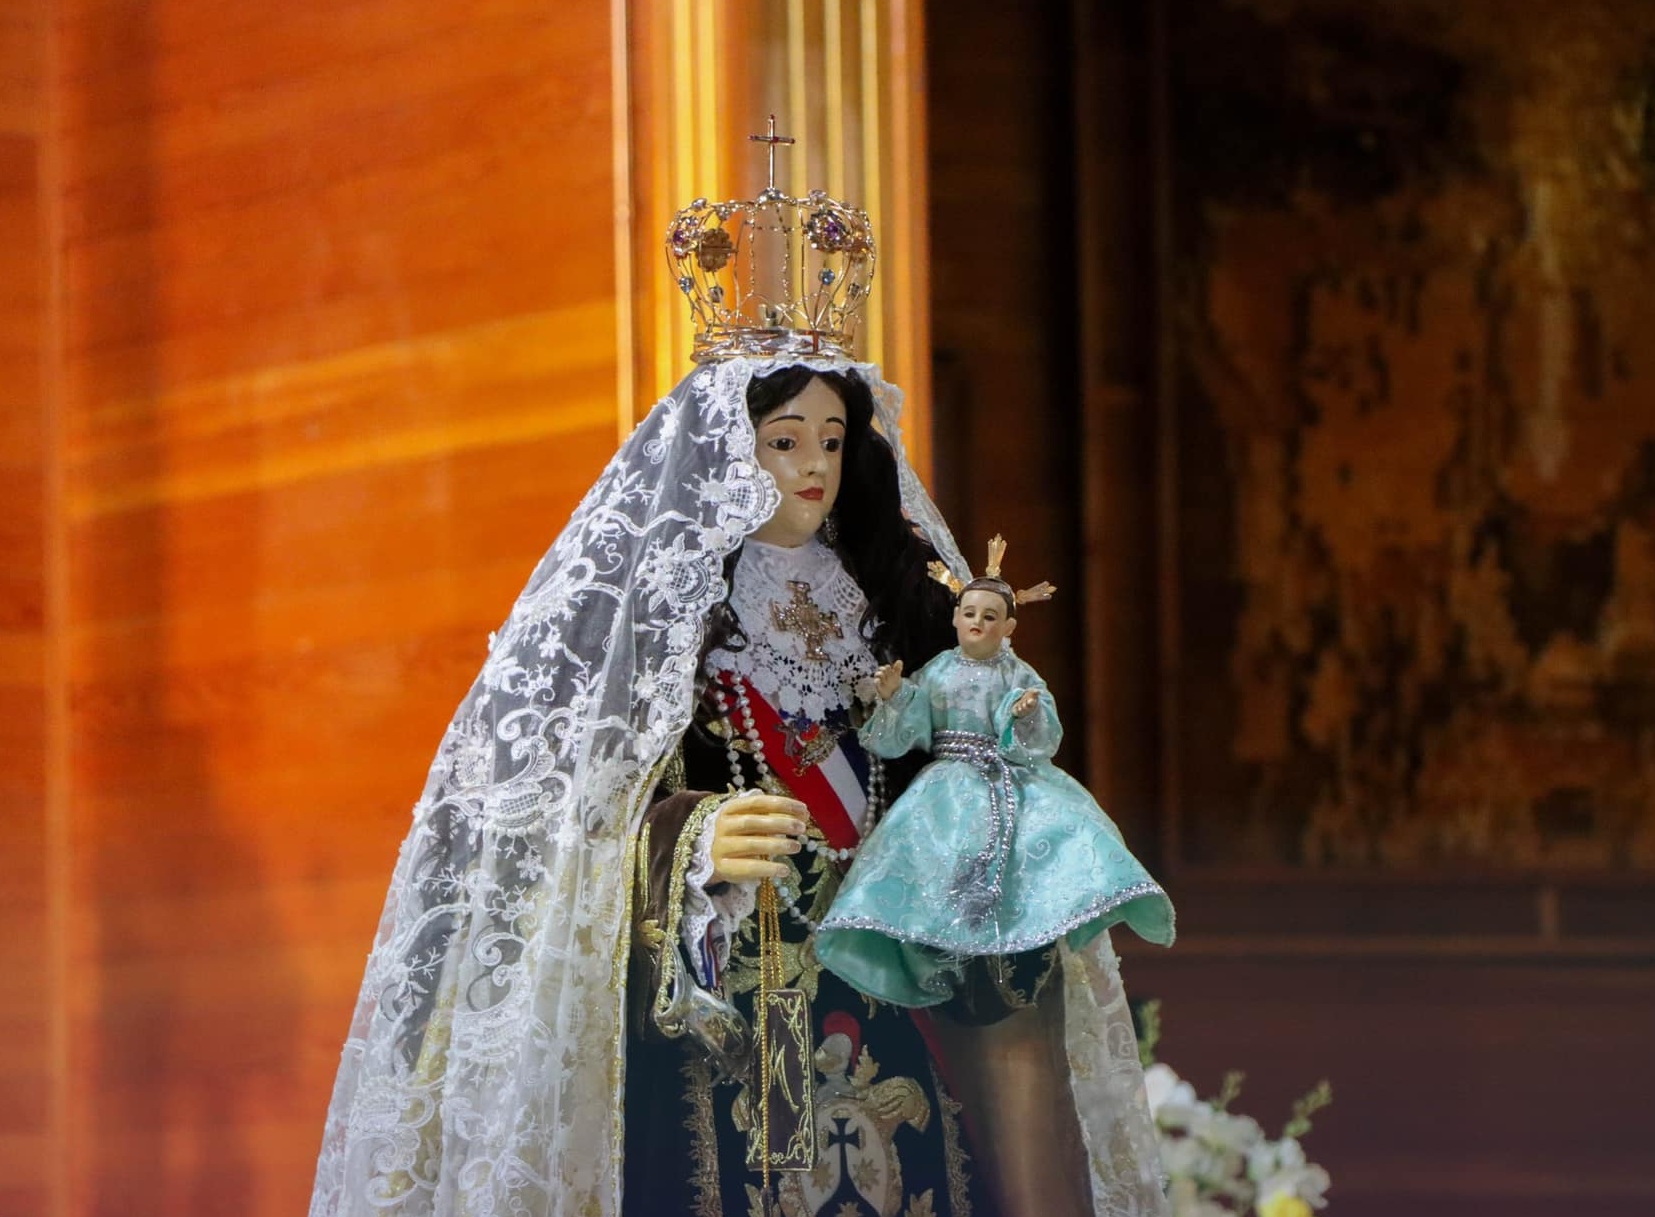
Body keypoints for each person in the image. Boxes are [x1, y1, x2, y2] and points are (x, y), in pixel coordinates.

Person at [311, 164, 1170, 1217]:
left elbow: (945, 779)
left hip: (882, 1016)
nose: (813, 465)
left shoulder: (898, 606)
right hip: (718, 1039)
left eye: (831, 441)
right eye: (783, 440)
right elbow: (547, 837)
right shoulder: (654, 622)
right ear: (726, 451)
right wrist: (689, 841)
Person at [813, 544, 1176, 1009]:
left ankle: (1024, 940)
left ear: (1008, 628)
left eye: (990, 617)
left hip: (1007, 778)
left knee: (1065, 837)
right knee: (926, 861)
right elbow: (910, 727)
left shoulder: (1015, 672)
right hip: (946, 787)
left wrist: (1024, 713)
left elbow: (1042, 725)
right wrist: (898, 695)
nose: (977, 623)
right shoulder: (938, 670)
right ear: (955, 618)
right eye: (969, 613)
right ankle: (933, 959)